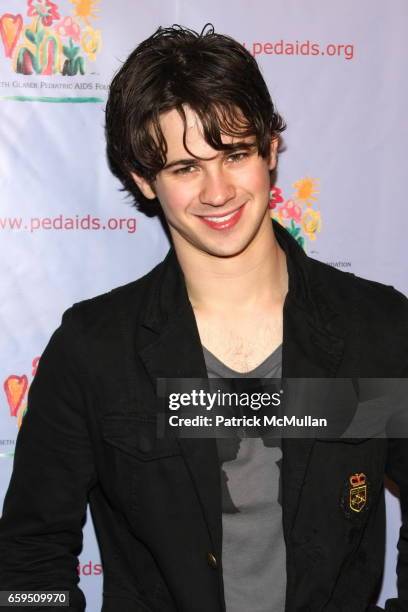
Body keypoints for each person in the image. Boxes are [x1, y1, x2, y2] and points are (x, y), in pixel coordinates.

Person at [0, 24, 407, 612]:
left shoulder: (378, 328)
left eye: (235, 155)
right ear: (144, 180)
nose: (218, 192)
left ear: (270, 150)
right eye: (186, 167)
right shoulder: (93, 350)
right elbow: (28, 559)